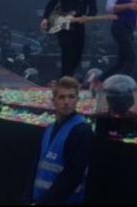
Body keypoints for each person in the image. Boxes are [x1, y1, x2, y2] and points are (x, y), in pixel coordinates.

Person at [29, 77, 93, 205]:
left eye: (71, 97)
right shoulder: (49, 129)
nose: (66, 102)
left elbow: (73, 175)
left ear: (77, 100)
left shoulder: (82, 130)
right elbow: (35, 168)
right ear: (54, 101)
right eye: (62, 97)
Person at [41, 0, 98, 77]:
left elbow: (93, 9)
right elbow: (52, 2)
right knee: (67, 52)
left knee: (77, 55)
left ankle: (70, 78)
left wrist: (87, 17)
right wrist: (45, 18)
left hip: (79, 26)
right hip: (63, 25)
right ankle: (65, 79)